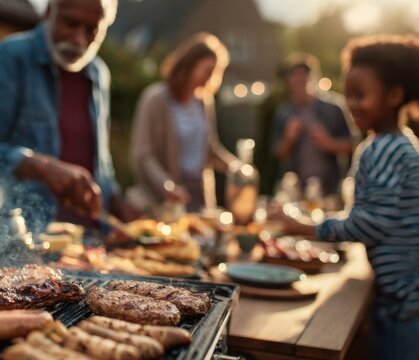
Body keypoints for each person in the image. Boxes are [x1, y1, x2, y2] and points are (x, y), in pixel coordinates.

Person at [273, 35, 419, 359]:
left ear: (394, 95)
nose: (351, 103)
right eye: (349, 93)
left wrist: (306, 228)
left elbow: (368, 223)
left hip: (402, 306)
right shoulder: (399, 142)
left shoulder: (382, 149)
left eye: (361, 95)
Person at [0, 0, 127, 228]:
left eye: (92, 31)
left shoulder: (99, 73)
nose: (79, 39)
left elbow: (100, 160)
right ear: (50, 12)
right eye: (71, 23)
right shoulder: (10, 58)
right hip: (28, 239)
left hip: (91, 241)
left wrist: (120, 203)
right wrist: (38, 166)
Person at [127, 32, 237, 214]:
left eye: (215, 73)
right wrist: (166, 185)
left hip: (199, 195)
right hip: (165, 199)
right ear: (190, 64)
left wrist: (235, 167)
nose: (210, 77)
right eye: (208, 70)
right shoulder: (155, 99)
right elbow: (144, 154)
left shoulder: (204, 102)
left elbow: (209, 148)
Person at [273, 52, 354, 196]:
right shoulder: (284, 113)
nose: (300, 81)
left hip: (331, 188)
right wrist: (289, 138)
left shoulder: (333, 108)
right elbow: (278, 153)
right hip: (297, 189)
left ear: (314, 78)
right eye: (295, 77)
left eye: (304, 76)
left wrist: (329, 143)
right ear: (289, 81)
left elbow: (353, 144)